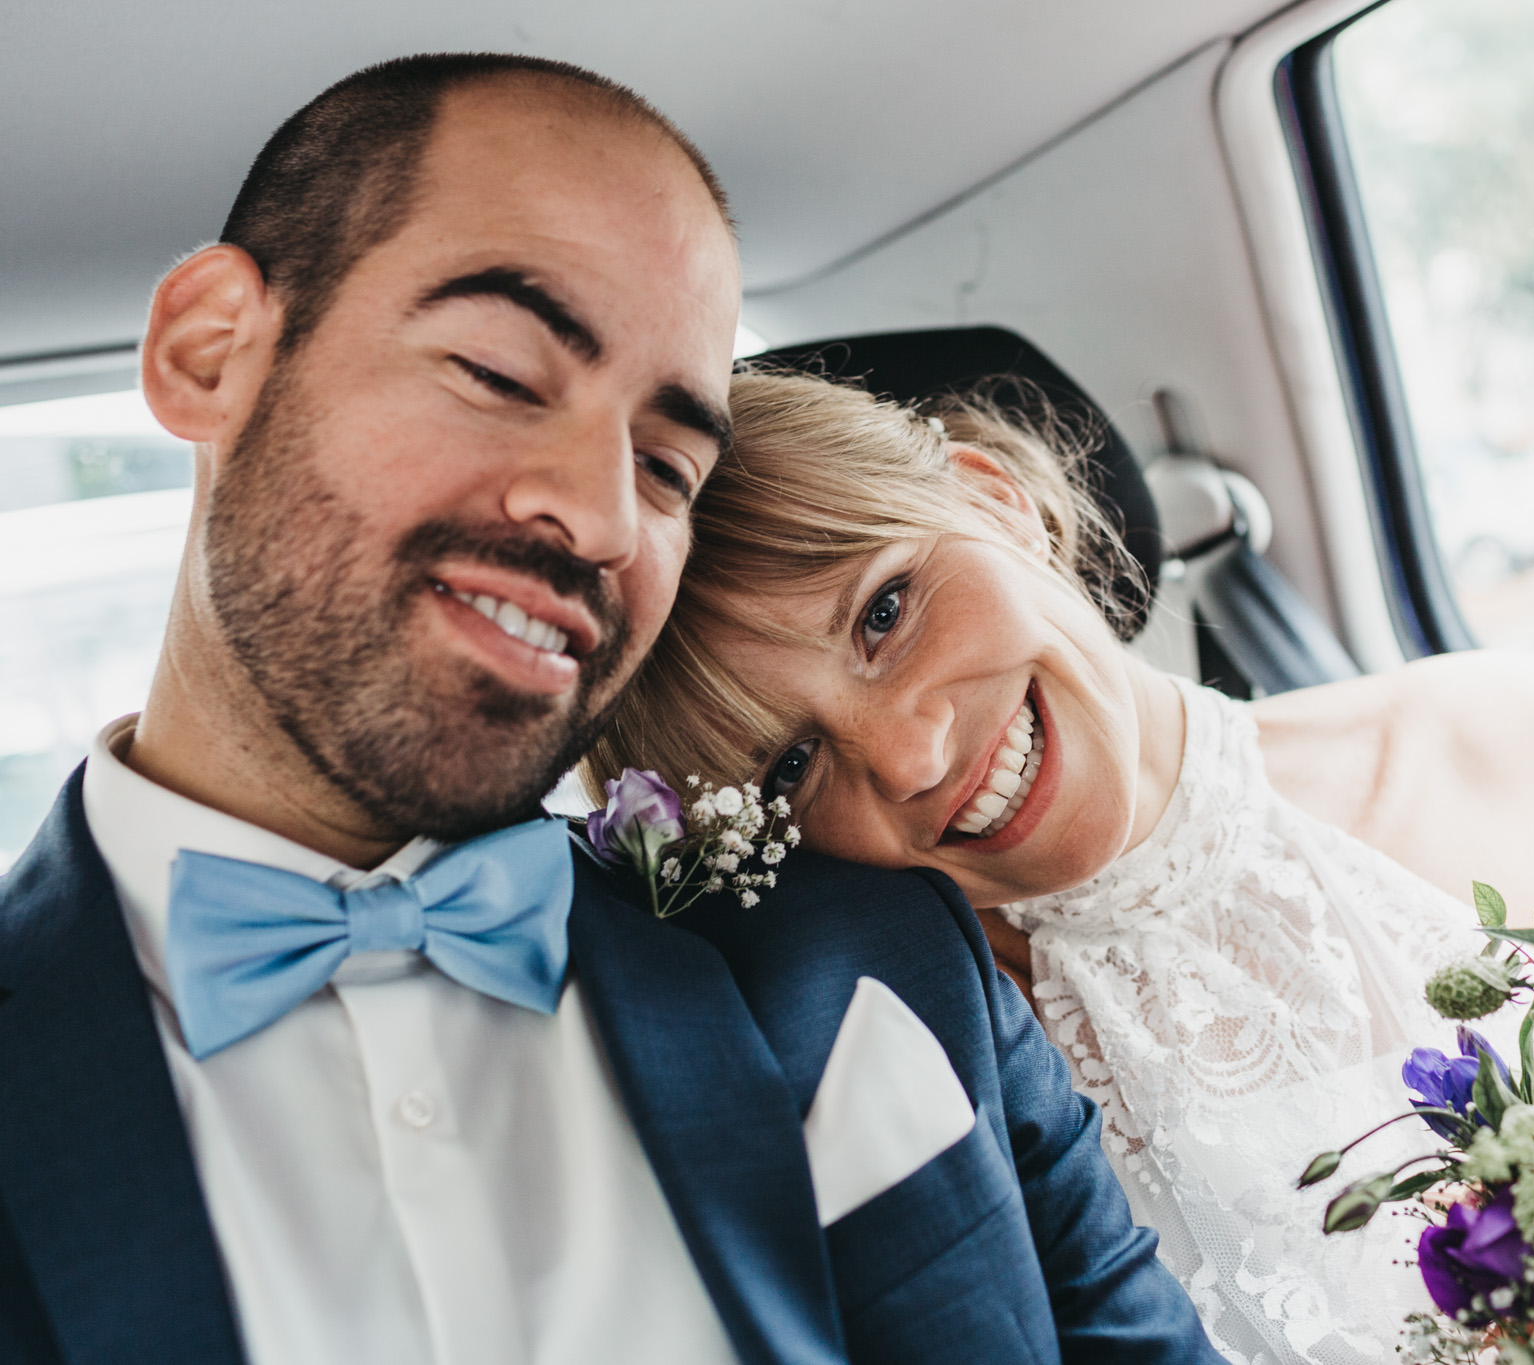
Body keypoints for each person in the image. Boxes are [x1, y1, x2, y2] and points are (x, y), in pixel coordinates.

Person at [0, 55, 1220, 1365]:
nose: (595, 514)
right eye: (500, 371)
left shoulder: (871, 951)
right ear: (211, 353)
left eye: (666, 465)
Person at [587, 370, 1534, 1363]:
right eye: (789, 768)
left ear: (994, 498)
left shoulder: (1503, 740)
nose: (908, 754)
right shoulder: (914, 1080)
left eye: (884, 610)